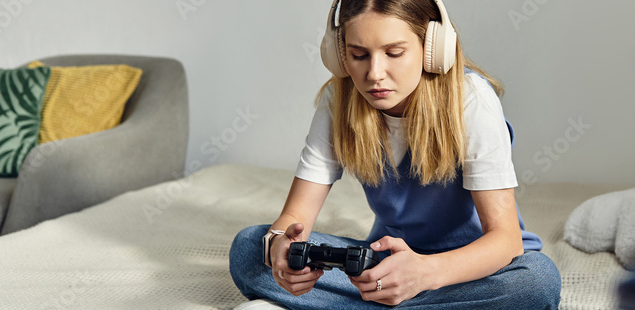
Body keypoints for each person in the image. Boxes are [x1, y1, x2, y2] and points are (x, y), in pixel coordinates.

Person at [229, 0, 561, 308]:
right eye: (359, 55)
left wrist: (426, 272)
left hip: (471, 271)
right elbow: (293, 218)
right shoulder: (339, 100)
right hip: (386, 267)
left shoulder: (471, 100)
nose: (374, 74)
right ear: (339, 54)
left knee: (536, 281)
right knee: (249, 248)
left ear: (432, 48)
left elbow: (505, 241)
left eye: (394, 52)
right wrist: (280, 248)